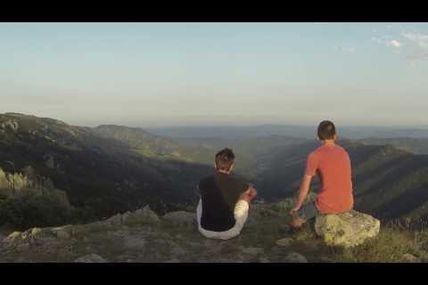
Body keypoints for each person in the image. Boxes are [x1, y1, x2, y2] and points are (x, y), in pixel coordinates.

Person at [289, 120, 354, 229]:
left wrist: (298, 206)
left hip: (327, 204)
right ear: (335, 136)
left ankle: (297, 235)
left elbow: (305, 188)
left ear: (318, 137)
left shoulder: (314, 156)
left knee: (296, 219)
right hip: (348, 203)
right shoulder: (344, 152)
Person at [196, 148, 257, 240]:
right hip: (229, 231)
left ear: (215, 164)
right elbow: (253, 193)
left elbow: (201, 191)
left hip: (205, 231)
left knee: (202, 198)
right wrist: (239, 199)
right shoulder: (238, 182)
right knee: (245, 196)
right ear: (232, 165)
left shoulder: (204, 181)